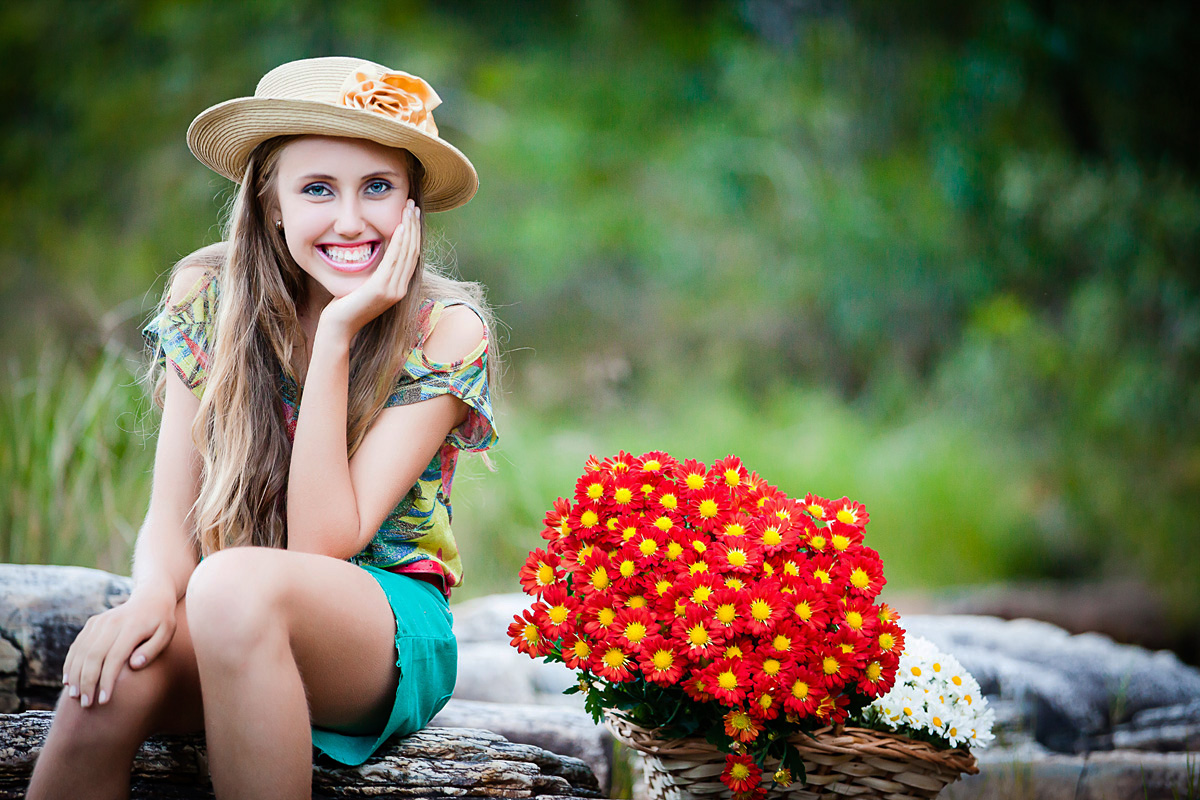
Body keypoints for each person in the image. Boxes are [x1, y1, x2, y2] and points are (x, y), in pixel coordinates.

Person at [27, 56, 498, 800]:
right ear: (269, 201)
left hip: (384, 631)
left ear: (411, 204)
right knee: (107, 686)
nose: (351, 220)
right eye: (318, 189)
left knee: (228, 582)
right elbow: (171, 510)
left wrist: (338, 334)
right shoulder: (207, 295)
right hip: (231, 606)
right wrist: (148, 601)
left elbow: (322, 545)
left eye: (378, 187)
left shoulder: (444, 329)